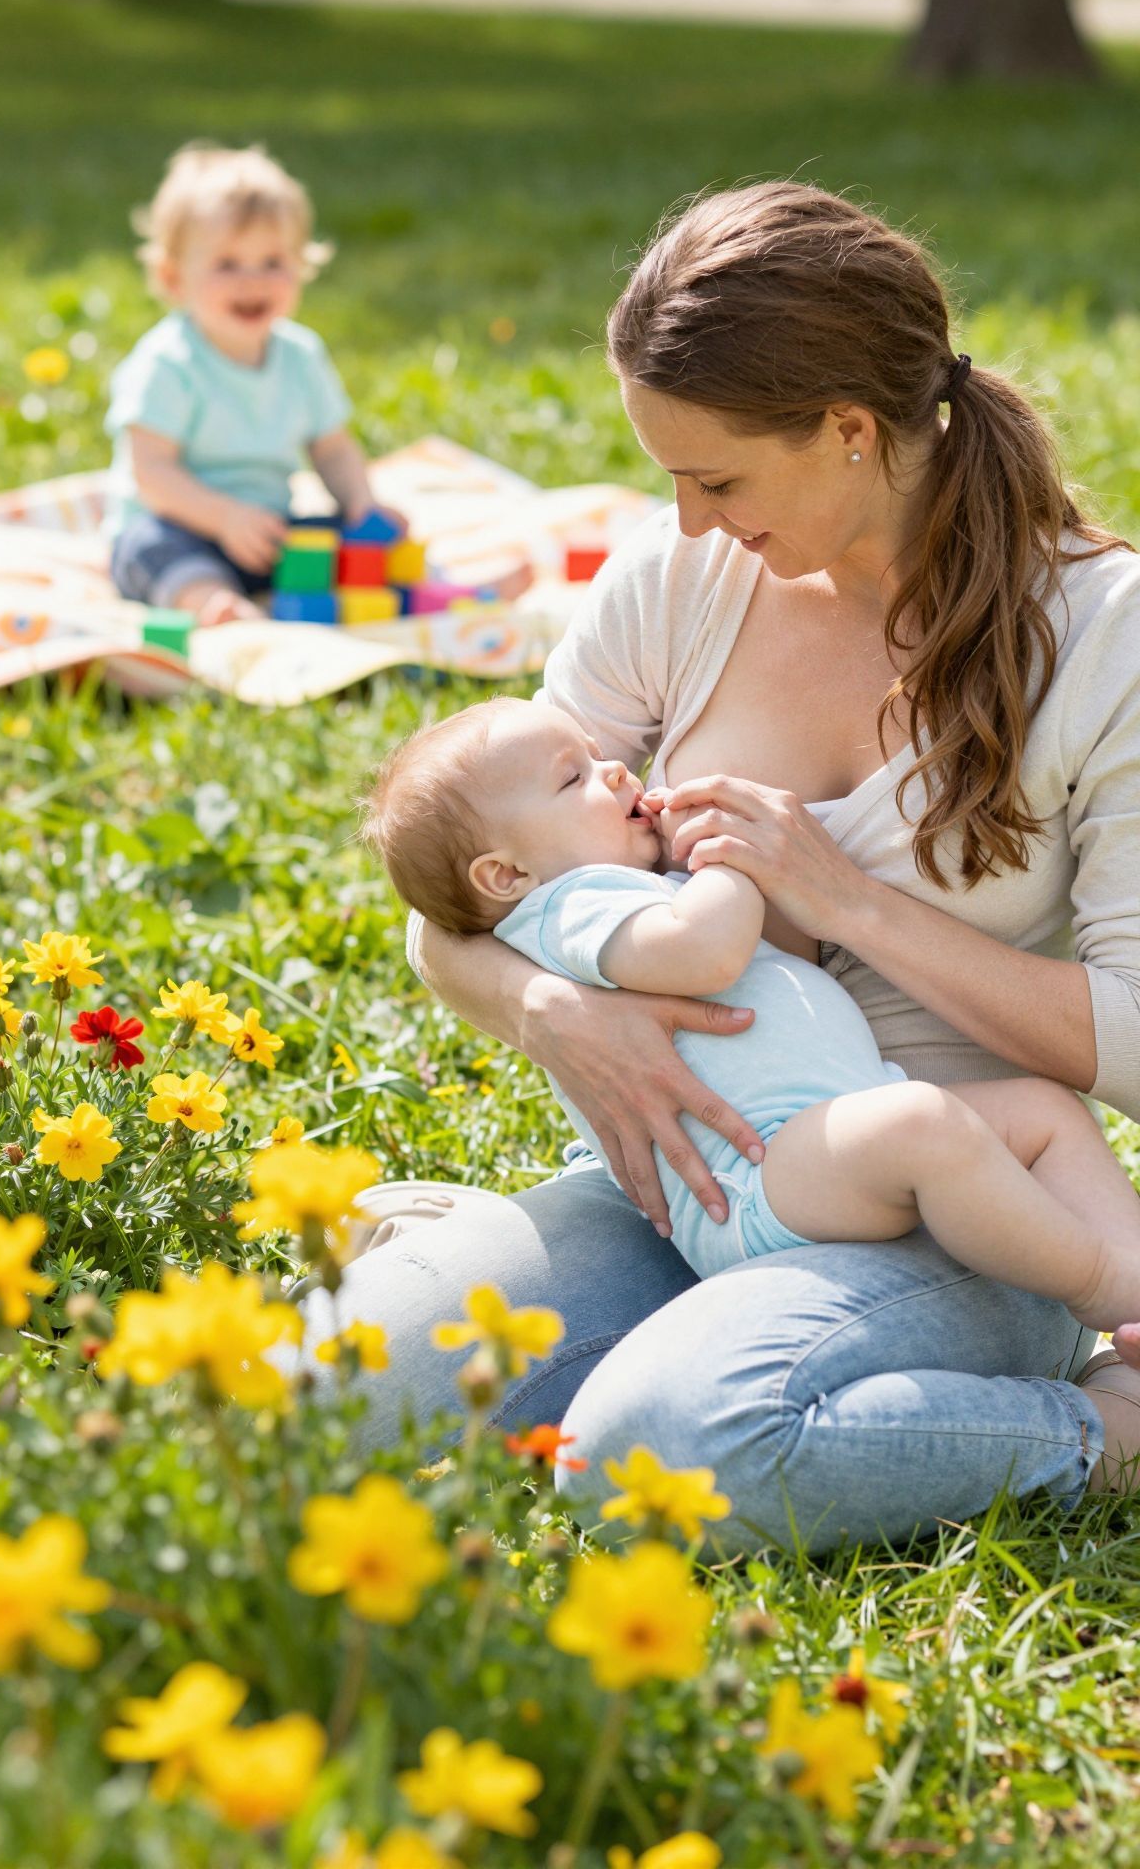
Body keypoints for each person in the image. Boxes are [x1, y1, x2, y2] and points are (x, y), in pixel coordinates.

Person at [301, 182, 1140, 1551]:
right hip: (689, 1191)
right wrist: (556, 1012)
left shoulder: (1105, 636)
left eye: (719, 480)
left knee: (659, 1452)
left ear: (851, 429)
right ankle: (518, 1269)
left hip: (964, 1209)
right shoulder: (679, 580)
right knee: (315, 1399)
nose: (687, 520)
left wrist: (845, 897)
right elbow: (460, 892)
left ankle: (1101, 1433)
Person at [363, 694, 1140, 1348]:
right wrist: (728, 859)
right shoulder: (567, 908)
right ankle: (1100, 1285)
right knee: (923, 1124)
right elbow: (703, 953)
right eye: (575, 777)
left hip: (824, 1133)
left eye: (598, 755)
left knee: (1043, 1113)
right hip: (755, 1182)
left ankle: (1135, 1283)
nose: (617, 770)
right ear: (506, 874)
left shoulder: (618, 889)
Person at [107, 144, 393, 626]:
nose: (252, 281)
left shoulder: (301, 356)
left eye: (273, 262)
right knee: (147, 546)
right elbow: (151, 472)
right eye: (227, 264)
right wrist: (223, 518)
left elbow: (333, 449)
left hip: (268, 531)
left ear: (301, 264)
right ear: (174, 279)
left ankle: (448, 591)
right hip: (182, 525)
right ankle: (213, 604)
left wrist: (361, 503)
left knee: (346, 537)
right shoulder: (169, 362)